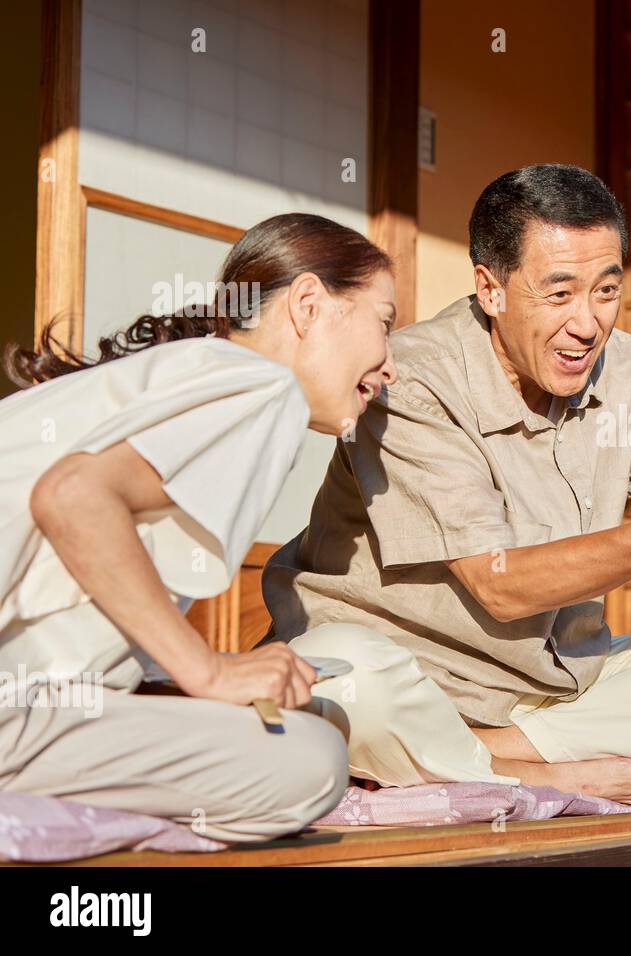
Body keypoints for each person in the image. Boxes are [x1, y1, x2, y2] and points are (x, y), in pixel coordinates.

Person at [263, 164, 631, 806]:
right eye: (559, 293)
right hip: (405, 677)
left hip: (546, 695)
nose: (589, 324)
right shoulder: (413, 380)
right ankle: (531, 770)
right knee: (342, 680)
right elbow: (501, 587)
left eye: (606, 291)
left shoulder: (627, 369)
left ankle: (474, 750)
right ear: (491, 289)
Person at [0, 213, 397, 842]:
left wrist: (192, 679)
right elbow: (72, 495)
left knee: (303, 713)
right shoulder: (263, 386)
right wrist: (208, 672)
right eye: (384, 321)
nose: (389, 366)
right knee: (312, 756)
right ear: (309, 304)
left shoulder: (186, 372)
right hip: (14, 710)